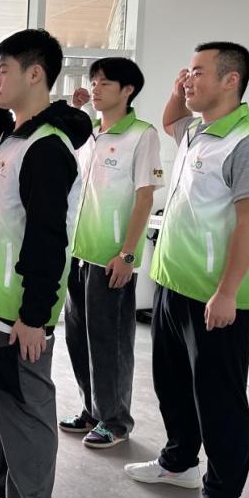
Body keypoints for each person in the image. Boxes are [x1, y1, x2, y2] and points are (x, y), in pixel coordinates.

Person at [125, 42, 249, 498]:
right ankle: (179, 463)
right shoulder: (196, 132)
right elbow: (172, 117)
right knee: (172, 384)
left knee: (218, 397)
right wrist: (180, 89)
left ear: (231, 80)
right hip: (173, 282)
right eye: (187, 72)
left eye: (198, 72)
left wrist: (227, 292)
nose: (188, 80)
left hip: (216, 295)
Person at [0, 29, 91, 498]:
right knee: (4, 405)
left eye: (4, 70)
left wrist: (34, 316)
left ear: (35, 74)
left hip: (20, 312)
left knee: (27, 410)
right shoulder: (15, 136)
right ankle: (8, 483)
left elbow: (47, 237)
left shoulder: (46, 148)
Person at [61, 58, 162, 448]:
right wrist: (76, 110)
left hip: (111, 259)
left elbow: (144, 198)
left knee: (110, 342)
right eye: (94, 82)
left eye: (105, 83)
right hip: (79, 253)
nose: (96, 88)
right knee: (78, 338)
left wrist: (129, 255)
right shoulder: (90, 133)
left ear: (128, 90)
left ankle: (116, 420)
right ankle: (92, 410)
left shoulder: (141, 135)